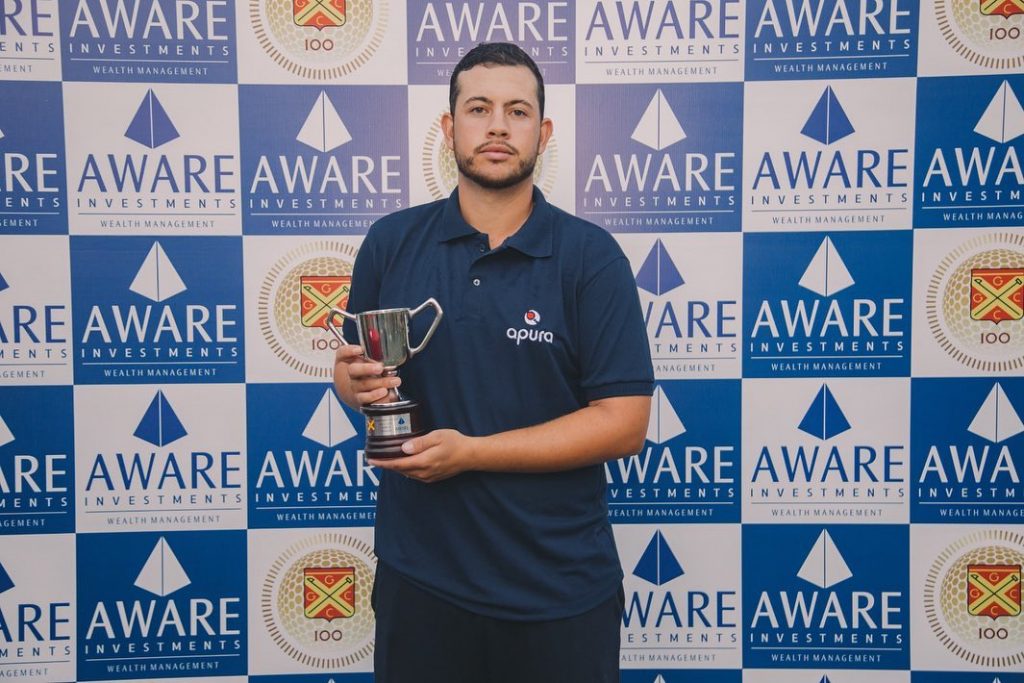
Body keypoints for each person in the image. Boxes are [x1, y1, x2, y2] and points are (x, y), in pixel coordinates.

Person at [332, 42, 654, 683]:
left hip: (560, 590)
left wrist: (473, 452)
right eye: (479, 109)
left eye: (518, 110)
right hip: (423, 585)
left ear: (544, 132)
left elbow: (624, 423)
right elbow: (358, 375)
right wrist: (350, 382)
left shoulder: (591, 258)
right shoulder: (390, 243)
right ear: (450, 129)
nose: (499, 126)